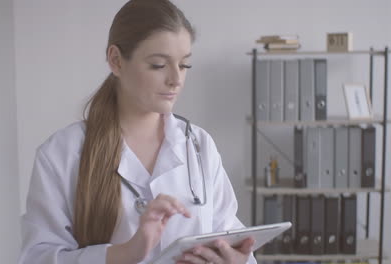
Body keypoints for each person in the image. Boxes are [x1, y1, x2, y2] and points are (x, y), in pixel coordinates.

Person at [18, 0, 257, 263]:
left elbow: (230, 234)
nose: (176, 79)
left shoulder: (199, 145)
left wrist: (237, 260)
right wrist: (126, 253)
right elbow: (37, 258)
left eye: (184, 65)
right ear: (116, 60)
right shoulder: (61, 155)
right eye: (158, 65)